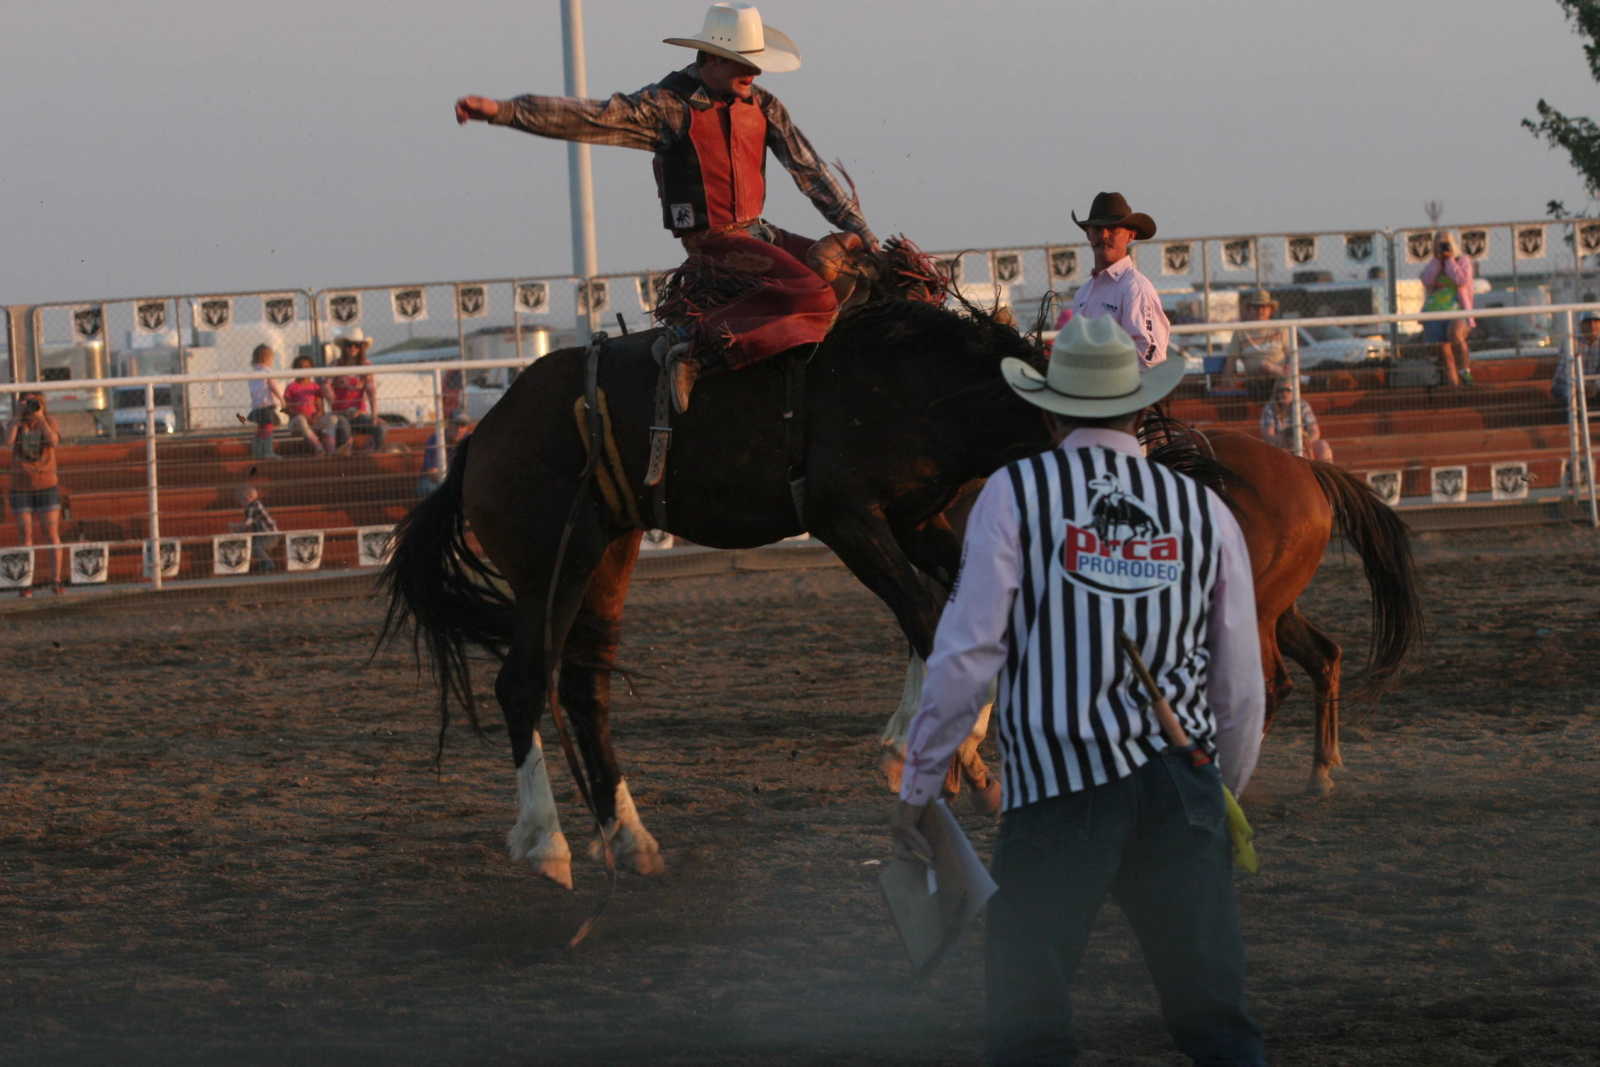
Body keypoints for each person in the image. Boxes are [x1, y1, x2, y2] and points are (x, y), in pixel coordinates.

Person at [891, 315, 1266, 1066]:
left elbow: (968, 654)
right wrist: (1218, 786)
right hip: (1180, 781)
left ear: (1051, 411)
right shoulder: (1204, 511)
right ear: (1138, 408)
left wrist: (920, 781)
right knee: (1215, 1016)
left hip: (1059, 788)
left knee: (1029, 1018)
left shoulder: (1015, 494)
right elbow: (1239, 682)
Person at [454, 2, 878, 412]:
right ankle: (695, 347)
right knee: (814, 294)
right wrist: (505, 111)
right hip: (713, 241)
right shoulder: (669, 105)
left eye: (755, 62)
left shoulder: (763, 105)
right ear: (713, 58)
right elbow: (591, 117)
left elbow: (811, 171)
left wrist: (865, 235)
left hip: (759, 232)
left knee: (858, 275)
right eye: (743, 63)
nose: (754, 72)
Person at [1069, 191, 1171, 367]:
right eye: (1097, 229)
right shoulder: (1082, 293)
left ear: (1130, 235)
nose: (1104, 235)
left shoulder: (1135, 289)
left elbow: (1151, 357)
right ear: (1088, 235)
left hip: (1120, 384)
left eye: (1112, 229)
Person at [6, 392, 66, 596]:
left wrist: (40, 418)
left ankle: (56, 580)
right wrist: (17, 417)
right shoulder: (16, 423)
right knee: (25, 536)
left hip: (47, 484)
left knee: (51, 534)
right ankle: (26, 582)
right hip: (21, 486)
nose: (31, 406)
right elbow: (8, 442)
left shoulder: (49, 421)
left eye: (35, 402)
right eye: (27, 402)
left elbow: (54, 441)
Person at [1419, 231, 1476, 387]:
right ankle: (1454, 388)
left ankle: (1465, 371)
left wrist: (1450, 260)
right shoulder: (1434, 263)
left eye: (1445, 243)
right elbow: (1427, 280)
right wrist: (1438, 261)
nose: (1442, 246)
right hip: (1435, 311)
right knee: (1445, 353)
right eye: (1439, 243)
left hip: (1458, 310)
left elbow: (1461, 280)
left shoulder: (1462, 261)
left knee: (1455, 334)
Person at [329, 330, 387, 454]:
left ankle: (373, 455)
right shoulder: (335, 364)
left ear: (362, 348)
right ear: (344, 347)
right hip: (340, 413)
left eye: (357, 345)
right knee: (344, 428)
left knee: (381, 427)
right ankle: (345, 458)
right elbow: (325, 385)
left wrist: (374, 415)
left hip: (359, 413)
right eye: (349, 345)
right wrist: (330, 396)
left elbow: (371, 392)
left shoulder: (366, 365)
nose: (353, 348)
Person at [1225, 290, 1289, 397]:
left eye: (1264, 307)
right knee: (1265, 366)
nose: (1260, 310)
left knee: (1283, 384)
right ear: (1249, 310)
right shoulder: (1241, 331)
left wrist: (1288, 367)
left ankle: (1284, 379)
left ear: (1270, 310)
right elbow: (1231, 359)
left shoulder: (1280, 328)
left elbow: (1291, 354)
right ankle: (1294, 378)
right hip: (1255, 380)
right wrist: (1227, 380)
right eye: (1256, 307)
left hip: (1280, 379)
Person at [1259, 380, 1334, 462]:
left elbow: (1315, 432)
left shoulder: (1302, 406)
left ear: (1294, 392)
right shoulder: (1270, 408)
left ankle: (1324, 470)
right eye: (1280, 390)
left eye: (1288, 390)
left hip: (1304, 443)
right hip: (1281, 445)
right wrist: (1287, 442)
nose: (1284, 393)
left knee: (1323, 447)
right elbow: (1269, 436)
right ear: (1276, 393)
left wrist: (1304, 442)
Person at [281, 354, 334, 454]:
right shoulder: (291, 387)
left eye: (306, 367)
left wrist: (317, 416)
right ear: (295, 369)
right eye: (300, 367)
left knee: (333, 419)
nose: (303, 369)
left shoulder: (315, 387)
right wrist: (302, 416)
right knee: (301, 419)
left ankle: (331, 450)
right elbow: (286, 408)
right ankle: (318, 447)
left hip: (314, 421)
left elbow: (320, 408)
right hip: (297, 424)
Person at [1552, 313, 1600, 418]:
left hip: (1593, 386)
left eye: (1596, 321)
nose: (1592, 325)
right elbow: (1566, 371)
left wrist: (1596, 385)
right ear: (1581, 325)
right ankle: (1572, 425)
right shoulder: (1571, 341)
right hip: (1567, 384)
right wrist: (1581, 386)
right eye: (1588, 322)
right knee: (1572, 396)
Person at [241, 344, 285, 459]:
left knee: (261, 429)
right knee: (268, 428)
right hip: (266, 405)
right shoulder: (267, 371)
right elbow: (272, 386)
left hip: (256, 405)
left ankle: (257, 451)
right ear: (267, 358)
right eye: (272, 359)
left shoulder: (252, 372)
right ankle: (268, 451)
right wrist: (281, 399)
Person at [417, 414, 473, 497]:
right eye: (456, 425)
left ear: (467, 428)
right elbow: (432, 472)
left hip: (458, 481)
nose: (459, 429)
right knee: (429, 488)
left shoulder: (469, 440)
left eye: (463, 426)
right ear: (448, 424)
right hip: (434, 481)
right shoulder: (435, 439)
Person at [236, 481, 279, 572]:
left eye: (241, 500)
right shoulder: (255, 505)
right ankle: (262, 564)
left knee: (255, 547)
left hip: (270, 536)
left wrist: (237, 527)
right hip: (264, 535)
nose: (241, 504)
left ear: (248, 498)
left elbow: (248, 523)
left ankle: (269, 564)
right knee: (251, 546)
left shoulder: (253, 505)